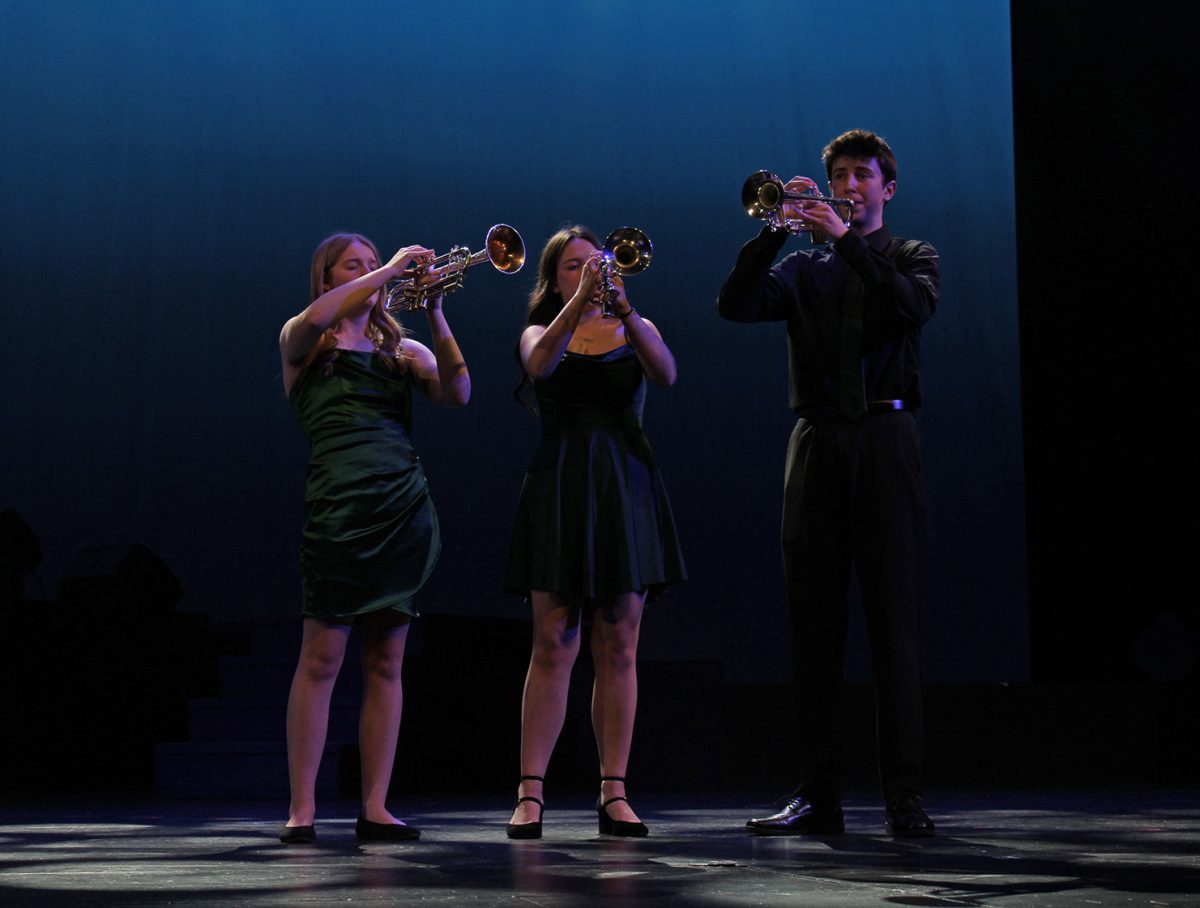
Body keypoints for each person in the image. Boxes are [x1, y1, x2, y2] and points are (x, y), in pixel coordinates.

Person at [717, 130, 940, 837]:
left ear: (887, 188)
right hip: (816, 444)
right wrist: (774, 231)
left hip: (885, 439)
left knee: (892, 625)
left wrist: (843, 237)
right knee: (814, 627)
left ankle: (903, 796)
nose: (848, 183)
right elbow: (736, 304)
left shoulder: (913, 256)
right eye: (838, 174)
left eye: (861, 174)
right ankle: (818, 795)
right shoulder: (803, 270)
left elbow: (910, 309)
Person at [277, 232, 470, 844]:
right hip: (338, 507)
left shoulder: (400, 348)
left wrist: (436, 313)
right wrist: (387, 269)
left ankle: (376, 806)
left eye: (372, 263)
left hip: (400, 506)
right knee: (321, 658)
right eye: (352, 267)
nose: (369, 274)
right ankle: (302, 809)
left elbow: (456, 393)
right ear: (329, 278)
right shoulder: (302, 339)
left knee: (387, 661)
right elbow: (314, 319)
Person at [503, 226, 687, 839]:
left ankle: (614, 791)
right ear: (555, 279)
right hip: (560, 487)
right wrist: (580, 302)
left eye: (597, 264)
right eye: (573, 266)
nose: (588, 271)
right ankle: (531, 793)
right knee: (552, 642)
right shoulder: (540, 329)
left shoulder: (637, 327)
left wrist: (624, 308)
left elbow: (666, 375)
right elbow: (539, 365)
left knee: (620, 645)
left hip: (624, 488)